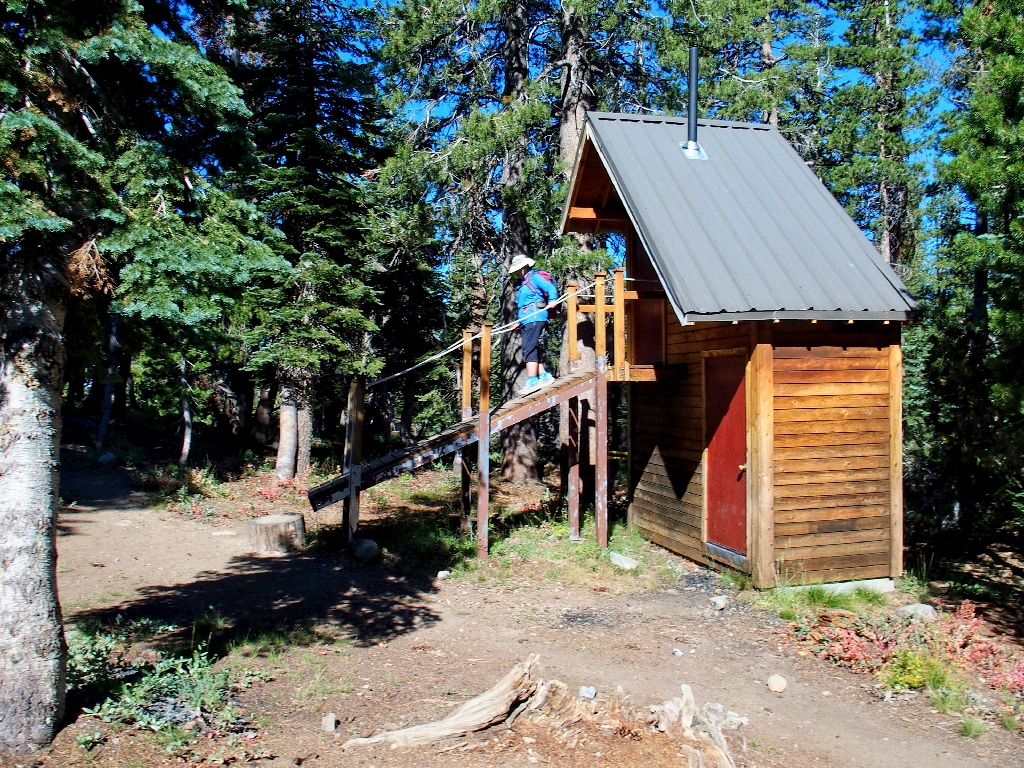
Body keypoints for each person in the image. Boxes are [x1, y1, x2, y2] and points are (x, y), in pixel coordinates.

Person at [509, 253, 558, 394]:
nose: (516, 273)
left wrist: (552, 300)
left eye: (517, 269)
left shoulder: (534, 277)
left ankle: (532, 380)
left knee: (529, 348)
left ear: (523, 267)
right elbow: (524, 305)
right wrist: (519, 321)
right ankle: (544, 375)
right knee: (531, 347)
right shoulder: (523, 283)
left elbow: (550, 288)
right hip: (527, 319)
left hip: (535, 317)